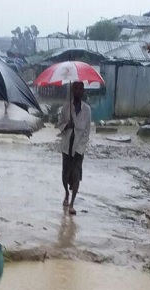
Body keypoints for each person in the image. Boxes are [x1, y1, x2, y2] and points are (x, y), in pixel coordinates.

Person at [57, 81, 91, 215]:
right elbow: (59, 124)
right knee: (65, 176)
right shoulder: (66, 108)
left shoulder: (87, 110)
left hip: (78, 149)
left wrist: (80, 149)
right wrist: (67, 125)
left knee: (76, 176)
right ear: (72, 90)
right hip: (66, 147)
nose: (78, 91)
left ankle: (72, 203)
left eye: (80, 89)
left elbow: (87, 131)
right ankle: (66, 192)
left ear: (83, 91)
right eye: (75, 88)